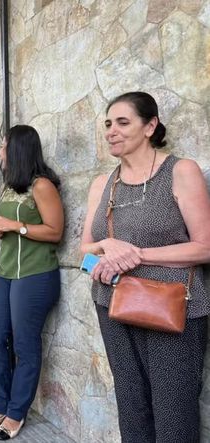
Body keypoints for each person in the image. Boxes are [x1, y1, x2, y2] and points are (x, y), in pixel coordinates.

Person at [80, 91, 210, 442]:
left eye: (123, 122)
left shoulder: (180, 171)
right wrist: (105, 248)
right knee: (132, 407)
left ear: (150, 125)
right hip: (112, 305)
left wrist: (137, 254)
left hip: (173, 307)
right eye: (108, 124)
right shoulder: (101, 185)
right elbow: (84, 255)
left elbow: (205, 246)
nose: (111, 131)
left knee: (174, 414)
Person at [0, 125, 63, 440]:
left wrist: (15, 225)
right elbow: (10, 226)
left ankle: (16, 412)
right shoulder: (8, 187)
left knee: (25, 344)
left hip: (34, 274)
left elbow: (55, 231)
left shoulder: (42, 186)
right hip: (4, 271)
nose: (0, 152)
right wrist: (1, 230)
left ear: (17, 150)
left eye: (3, 146)